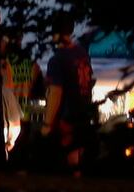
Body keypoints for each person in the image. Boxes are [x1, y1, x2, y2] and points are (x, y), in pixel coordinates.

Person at [41, 23, 95, 174]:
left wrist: (47, 123)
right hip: (83, 111)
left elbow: (56, 93)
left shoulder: (58, 60)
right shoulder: (82, 54)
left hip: (67, 114)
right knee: (78, 155)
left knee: (67, 158)